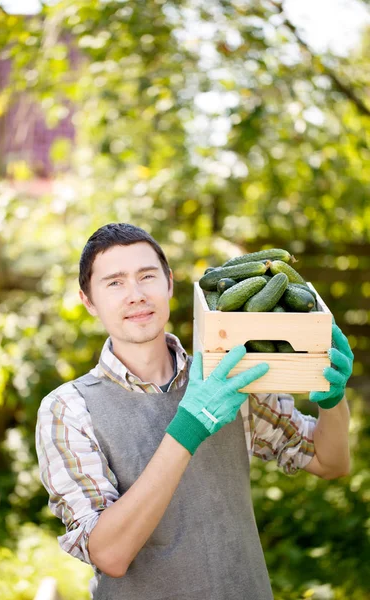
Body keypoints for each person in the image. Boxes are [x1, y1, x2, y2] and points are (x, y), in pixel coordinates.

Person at [36, 223, 353, 600]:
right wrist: (190, 426)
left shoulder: (226, 376)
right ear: (88, 300)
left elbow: (330, 463)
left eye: (147, 276)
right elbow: (110, 554)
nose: (136, 295)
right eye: (115, 283)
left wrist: (333, 402)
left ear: (169, 284)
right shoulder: (68, 409)